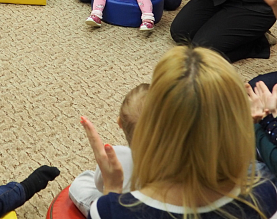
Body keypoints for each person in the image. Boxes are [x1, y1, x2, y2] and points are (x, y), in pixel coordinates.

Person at [82, 45, 277, 219]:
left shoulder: (110, 210)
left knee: (84, 183)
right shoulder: (264, 195)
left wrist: (113, 189)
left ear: (155, 123)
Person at [69, 83, 149, 217]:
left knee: (81, 183)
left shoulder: (116, 157)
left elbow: (101, 186)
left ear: (120, 124)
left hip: (124, 210)